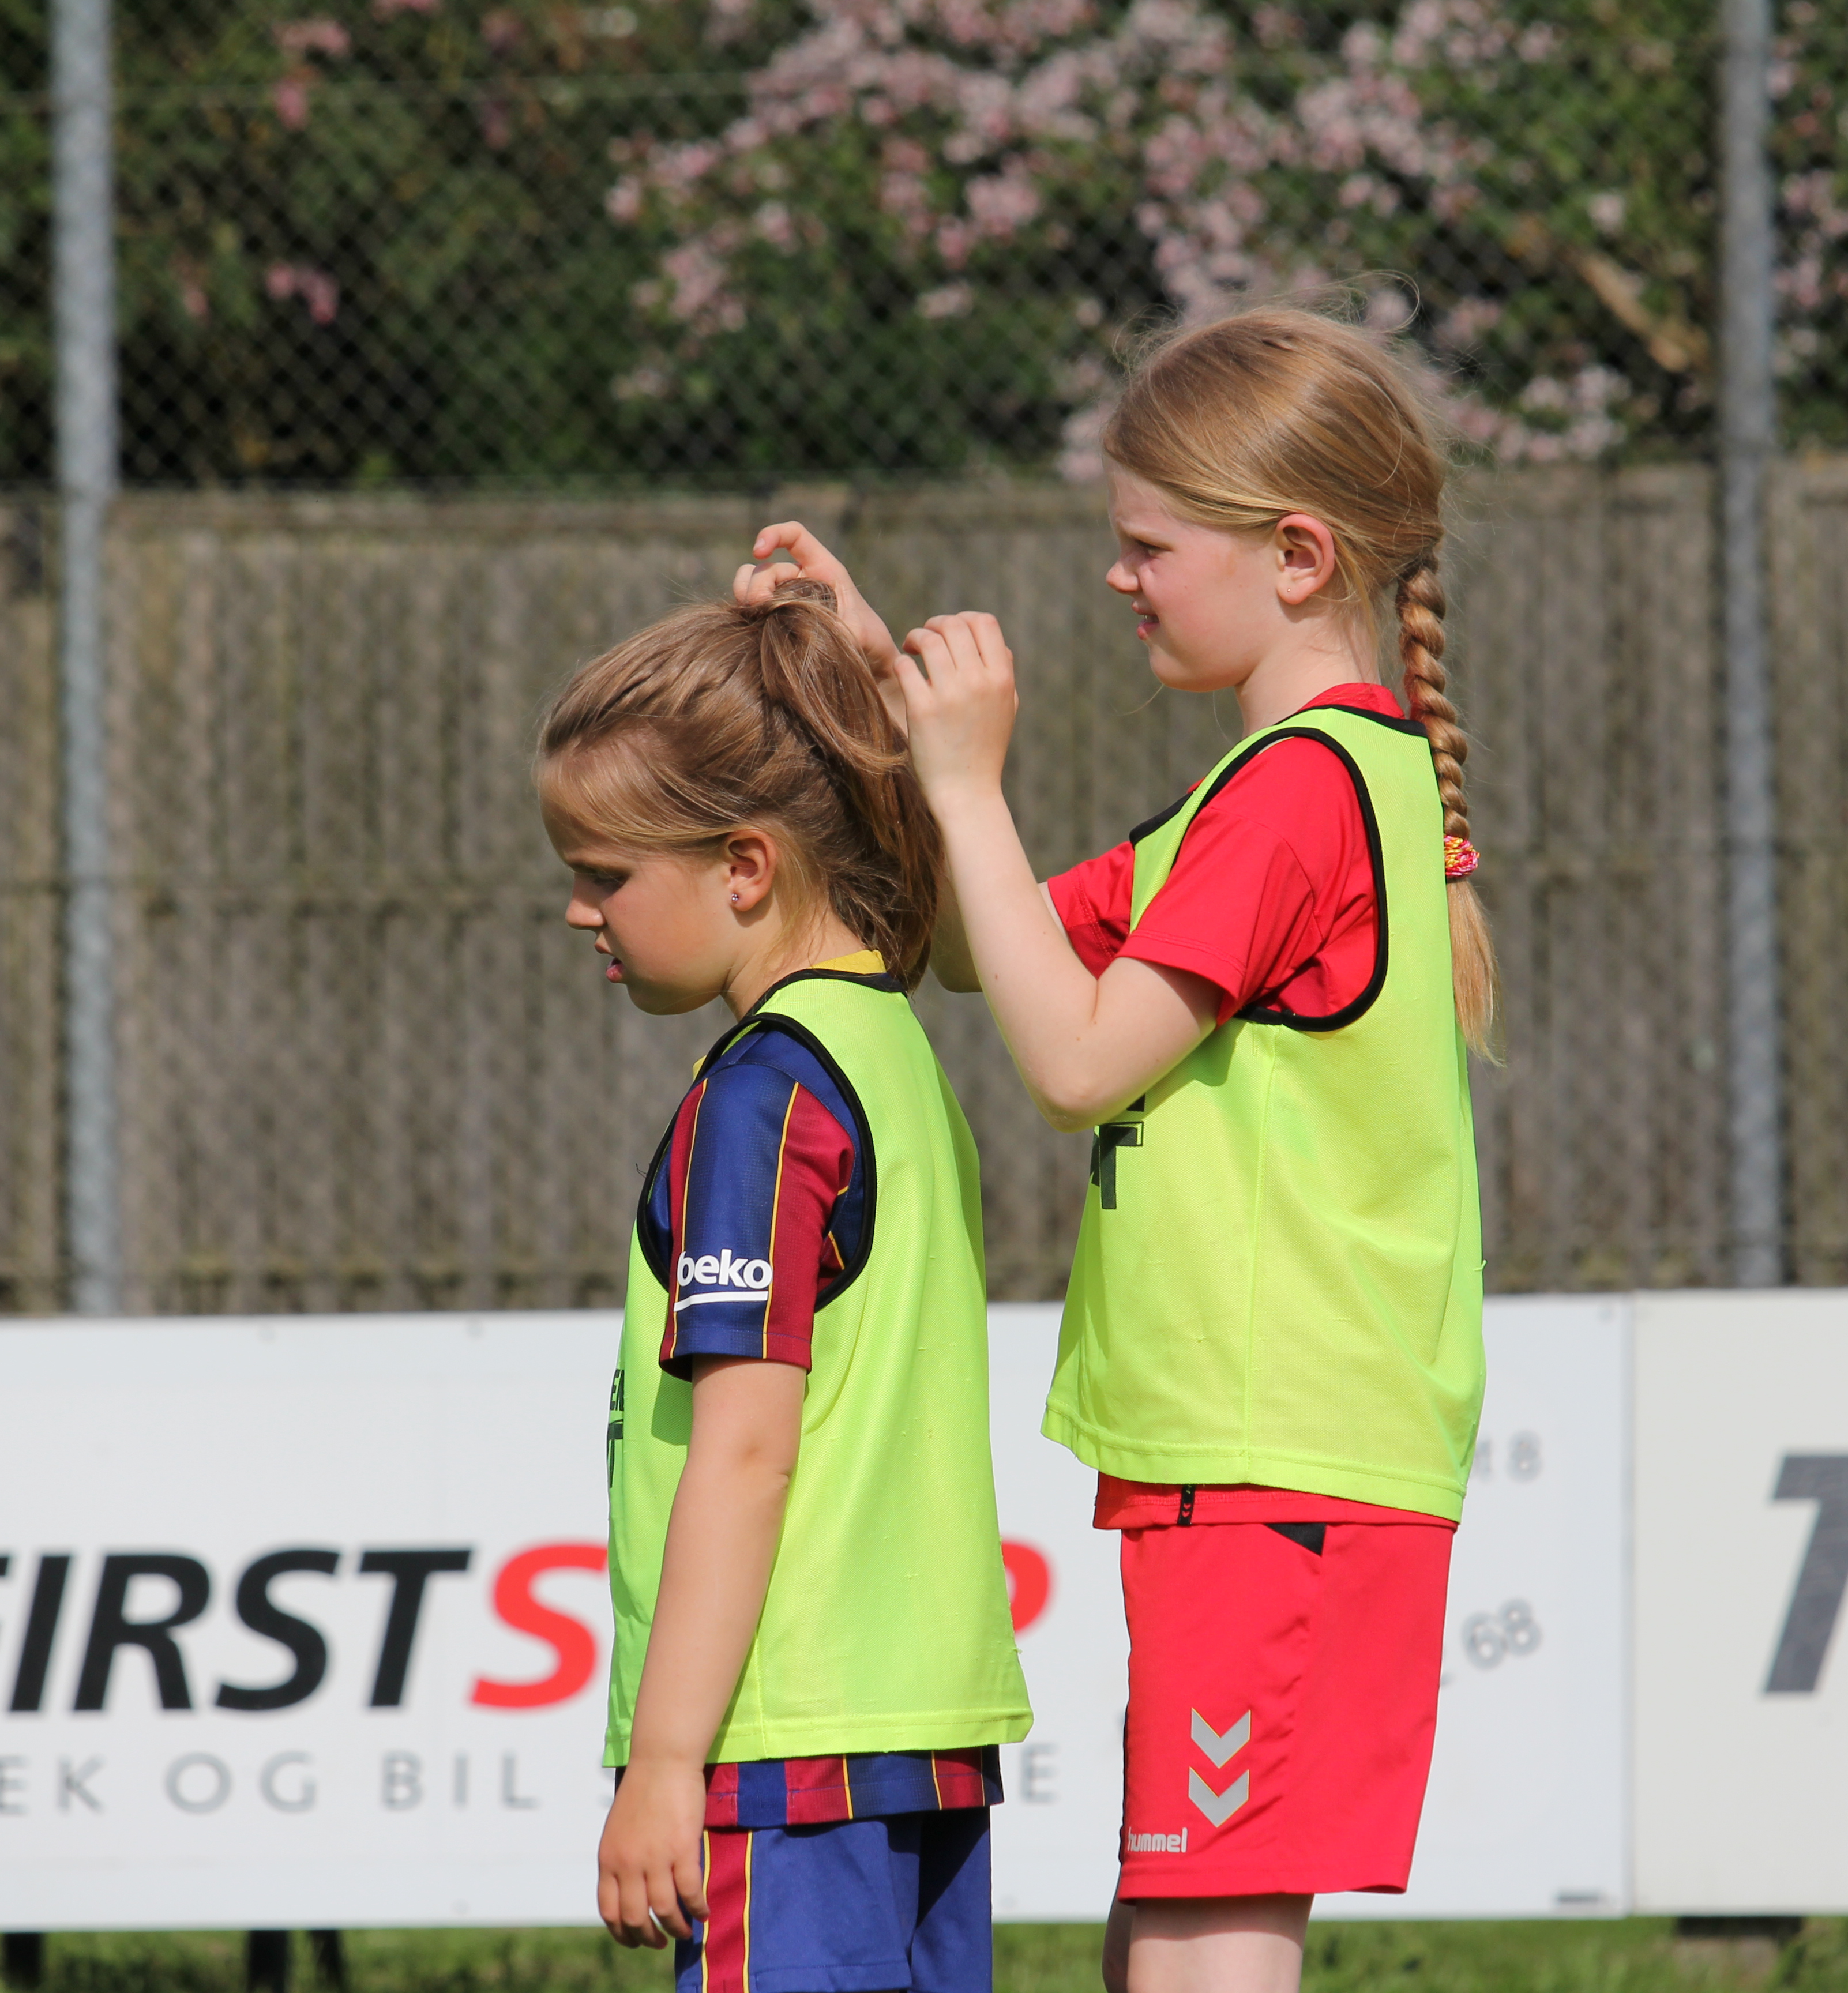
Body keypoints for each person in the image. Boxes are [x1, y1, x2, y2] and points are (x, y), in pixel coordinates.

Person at [738, 304, 1491, 1993]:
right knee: (1168, 1926)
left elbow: (1077, 1058)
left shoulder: (1298, 795)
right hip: (1257, 1457)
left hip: (1281, 1454)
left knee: (1204, 1940)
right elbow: (968, 943)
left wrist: (973, 786)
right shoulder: (1277, 786)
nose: (1120, 576)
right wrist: (882, 698)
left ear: (1295, 555)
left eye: (1151, 545)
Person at [540, 583, 1033, 1993]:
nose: (579, 911)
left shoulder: (761, 1101)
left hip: (781, 1752)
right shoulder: (893, 1045)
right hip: (922, 1741)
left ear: (745, 866)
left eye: (605, 873)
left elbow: (747, 1452)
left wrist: (665, 1761)